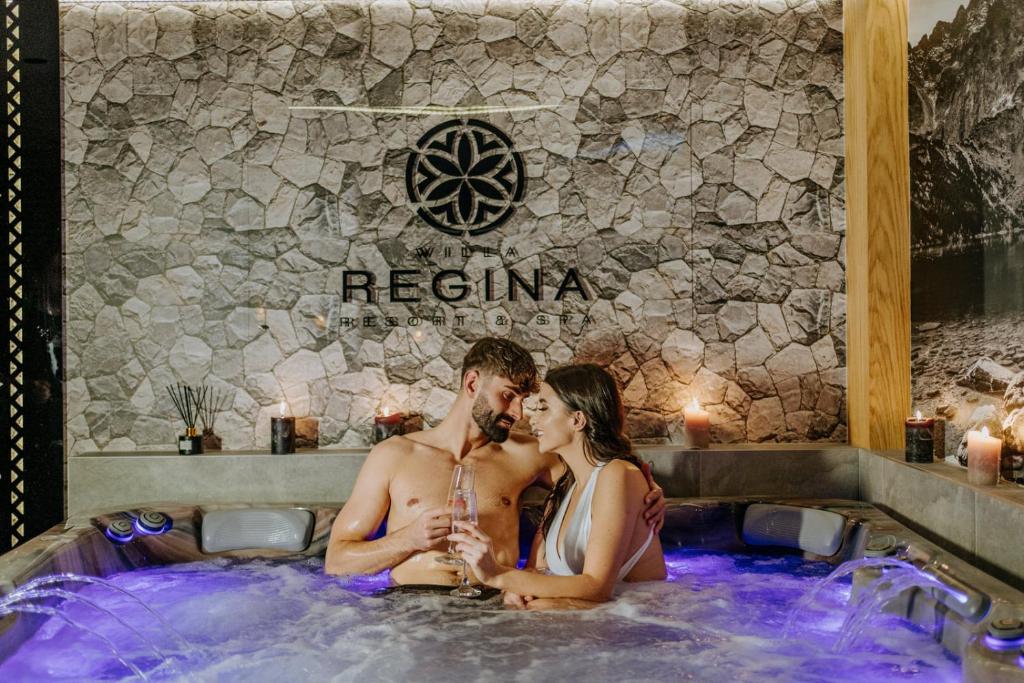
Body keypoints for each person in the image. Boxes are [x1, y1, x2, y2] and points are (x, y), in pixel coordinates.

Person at [324, 339, 666, 587]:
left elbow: (598, 476)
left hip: (495, 605)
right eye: (508, 395)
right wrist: (409, 539)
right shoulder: (394, 455)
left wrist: (649, 494)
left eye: (524, 399)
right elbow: (337, 561)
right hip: (412, 609)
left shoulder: (530, 454)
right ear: (472, 383)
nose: (518, 413)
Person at [447, 364, 667, 608]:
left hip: (645, 620)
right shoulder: (563, 489)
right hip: (604, 626)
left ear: (577, 419)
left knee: (540, 608)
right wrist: (518, 590)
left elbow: (597, 586)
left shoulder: (617, 474)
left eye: (544, 408)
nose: (532, 419)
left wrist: (498, 575)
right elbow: (537, 572)